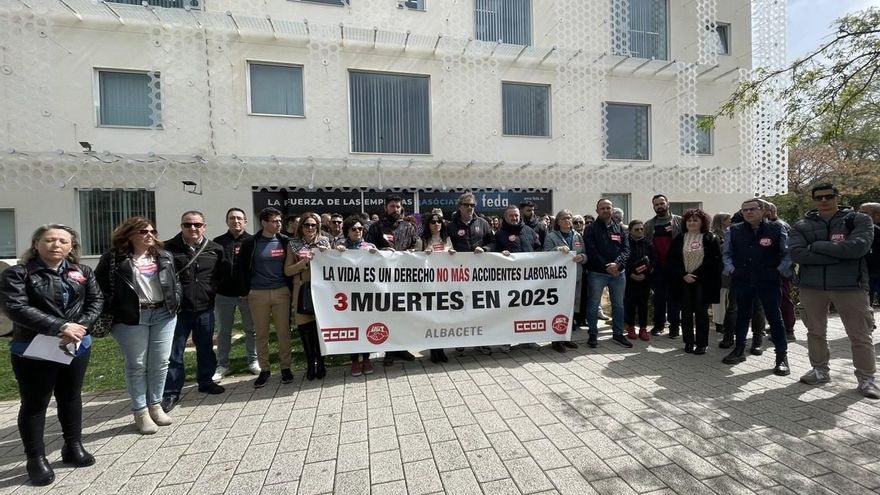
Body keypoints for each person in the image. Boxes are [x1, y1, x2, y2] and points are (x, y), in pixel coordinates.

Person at [0, 224, 102, 486]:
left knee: (70, 397)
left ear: (71, 246)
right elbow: (16, 307)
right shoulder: (18, 274)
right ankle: (35, 458)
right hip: (34, 349)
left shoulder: (82, 271)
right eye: (49, 240)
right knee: (35, 404)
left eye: (62, 241)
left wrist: (79, 327)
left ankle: (72, 445)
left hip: (76, 344)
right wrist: (61, 327)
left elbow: (96, 301)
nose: (56, 245)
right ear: (36, 244)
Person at [790, 183, 879, 398]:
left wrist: (816, 246)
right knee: (815, 331)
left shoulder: (858, 220)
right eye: (818, 197)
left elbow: (858, 248)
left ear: (837, 197)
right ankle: (820, 370)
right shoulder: (802, 224)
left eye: (828, 196)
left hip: (850, 285)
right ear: (813, 200)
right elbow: (797, 254)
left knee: (859, 335)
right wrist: (840, 253)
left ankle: (867, 378)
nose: (823, 201)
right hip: (811, 286)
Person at [96, 217, 180, 434]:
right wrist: (115, 308)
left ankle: (155, 405)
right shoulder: (113, 259)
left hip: (163, 314)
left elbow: (174, 282)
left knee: (160, 362)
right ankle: (140, 411)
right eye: (143, 231)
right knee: (137, 365)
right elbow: (99, 289)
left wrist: (176, 300)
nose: (150, 235)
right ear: (129, 234)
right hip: (132, 317)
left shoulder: (164, 255)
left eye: (152, 230)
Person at [162, 211, 226, 411]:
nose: (193, 228)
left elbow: (222, 275)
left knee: (206, 348)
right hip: (178, 311)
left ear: (204, 226)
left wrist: (212, 291)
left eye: (197, 225)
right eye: (188, 224)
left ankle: (206, 382)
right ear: (181, 226)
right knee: (174, 353)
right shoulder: (166, 249)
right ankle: (171, 392)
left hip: (205, 308)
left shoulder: (215, 249)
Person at [722, 199, 791, 375]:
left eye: (752, 209)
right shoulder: (734, 230)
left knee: (775, 318)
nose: (748, 213)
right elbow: (726, 254)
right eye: (744, 210)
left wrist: (778, 271)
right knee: (742, 316)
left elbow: (787, 254)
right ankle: (739, 350)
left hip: (768, 279)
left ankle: (781, 357)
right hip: (743, 279)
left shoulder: (776, 228)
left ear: (763, 210)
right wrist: (731, 270)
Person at [238, 207, 292, 388]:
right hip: (257, 293)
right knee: (261, 334)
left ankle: (286, 368)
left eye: (279, 221)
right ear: (263, 223)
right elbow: (242, 268)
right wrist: (245, 291)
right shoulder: (250, 243)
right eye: (275, 221)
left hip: (281, 292)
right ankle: (265, 370)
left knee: (283, 332)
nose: (279, 224)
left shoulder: (285, 241)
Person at [365, 194, 419, 365]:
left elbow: (416, 246)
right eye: (392, 206)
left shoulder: (408, 227)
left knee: (403, 314)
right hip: (384, 279)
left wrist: (413, 252)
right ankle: (390, 350)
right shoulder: (375, 227)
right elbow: (368, 248)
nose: (395, 209)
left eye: (398, 207)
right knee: (387, 313)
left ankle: (401, 347)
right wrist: (381, 251)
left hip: (404, 279)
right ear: (385, 208)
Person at [212, 208, 260, 380]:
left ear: (245, 222)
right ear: (227, 221)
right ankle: (222, 364)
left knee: (251, 330)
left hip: (247, 295)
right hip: (224, 295)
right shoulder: (218, 242)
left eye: (239, 218)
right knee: (223, 332)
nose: (236, 221)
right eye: (232, 218)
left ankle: (253, 361)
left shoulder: (252, 241)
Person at [668, 209, 722, 355]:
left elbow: (714, 261)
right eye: (689, 220)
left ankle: (702, 344)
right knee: (685, 313)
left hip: (703, 282)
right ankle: (688, 342)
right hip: (683, 281)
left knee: (701, 313)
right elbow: (672, 260)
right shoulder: (679, 238)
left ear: (702, 222)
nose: (692, 223)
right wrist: (684, 274)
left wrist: (696, 275)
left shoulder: (710, 238)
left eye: (695, 220)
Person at [446, 192, 494, 356]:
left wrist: (486, 249)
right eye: (466, 205)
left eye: (472, 205)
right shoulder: (450, 226)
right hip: (458, 275)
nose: (469, 208)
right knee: (460, 308)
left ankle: (481, 341)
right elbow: (443, 245)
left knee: (479, 308)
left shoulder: (483, 223)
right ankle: (460, 341)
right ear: (459, 206)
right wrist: (448, 250)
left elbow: (493, 242)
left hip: (479, 275)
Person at [285, 212, 331, 381]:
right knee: (305, 328)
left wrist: (333, 253)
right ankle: (311, 364)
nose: (310, 228)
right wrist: (303, 263)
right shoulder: (293, 244)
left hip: (322, 290)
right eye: (307, 225)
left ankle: (322, 362)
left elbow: (335, 264)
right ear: (301, 227)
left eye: (313, 225)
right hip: (302, 289)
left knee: (320, 328)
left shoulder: (325, 242)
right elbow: (287, 270)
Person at [490, 205, 541, 353]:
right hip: (508, 281)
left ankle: (529, 339)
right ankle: (506, 340)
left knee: (528, 309)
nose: (514, 218)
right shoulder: (499, 234)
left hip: (528, 280)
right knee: (508, 311)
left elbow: (538, 249)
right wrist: (500, 254)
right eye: (511, 215)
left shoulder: (529, 231)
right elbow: (493, 252)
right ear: (505, 217)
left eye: (516, 215)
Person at [335, 216, 379, 376]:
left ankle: (366, 358)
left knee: (366, 325)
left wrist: (377, 255)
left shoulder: (369, 246)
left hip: (366, 295)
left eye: (360, 229)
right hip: (347, 295)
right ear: (347, 231)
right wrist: (337, 253)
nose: (358, 231)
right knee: (352, 328)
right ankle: (354, 360)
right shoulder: (340, 247)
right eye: (354, 229)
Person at [583, 199, 631, 348]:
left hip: (618, 273)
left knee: (618, 304)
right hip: (597, 273)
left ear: (612, 210)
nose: (605, 210)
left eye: (608, 208)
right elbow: (592, 250)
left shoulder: (619, 228)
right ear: (597, 210)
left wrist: (617, 264)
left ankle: (617, 334)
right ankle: (592, 334)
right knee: (593, 304)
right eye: (602, 208)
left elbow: (626, 249)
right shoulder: (590, 229)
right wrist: (607, 266)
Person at [543, 209, 586, 352]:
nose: (568, 220)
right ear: (558, 222)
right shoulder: (551, 236)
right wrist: (557, 249)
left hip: (575, 277)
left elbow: (585, 254)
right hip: (558, 280)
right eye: (564, 218)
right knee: (558, 308)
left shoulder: (577, 236)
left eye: (569, 218)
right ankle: (556, 340)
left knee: (571, 308)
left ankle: (567, 338)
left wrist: (582, 258)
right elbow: (544, 255)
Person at [416, 212, 456, 362]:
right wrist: (423, 254)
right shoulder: (422, 240)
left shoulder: (447, 239)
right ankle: (434, 350)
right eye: (433, 222)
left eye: (439, 221)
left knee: (443, 318)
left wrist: (452, 253)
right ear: (428, 224)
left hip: (445, 284)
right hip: (429, 285)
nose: (436, 224)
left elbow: (452, 257)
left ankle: (441, 349)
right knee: (432, 319)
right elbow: (415, 259)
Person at [644, 194, 682, 337]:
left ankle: (674, 328)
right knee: (659, 298)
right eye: (656, 204)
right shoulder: (649, 225)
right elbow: (646, 246)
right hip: (657, 267)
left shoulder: (679, 221)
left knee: (674, 298)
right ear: (653, 207)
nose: (659, 206)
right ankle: (658, 325)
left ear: (668, 204)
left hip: (675, 266)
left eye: (661, 203)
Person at [624, 220, 652, 341]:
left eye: (641, 229)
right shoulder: (625, 243)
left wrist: (646, 274)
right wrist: (630, 274)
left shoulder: (648, 243)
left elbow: (653, 260)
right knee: (630, 304)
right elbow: (623, 260)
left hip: (644, 280)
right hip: (629, 280)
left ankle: (643, 328)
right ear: (630, 230)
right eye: (636, 229)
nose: (640, 231)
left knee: (643, 305)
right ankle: (630, 327)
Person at [709, 213, 732, 334]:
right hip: (719, 270)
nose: (730, 221)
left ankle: (727, 321)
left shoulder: (730, 233)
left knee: (728, 298)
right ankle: (719, 323)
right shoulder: (715, 235)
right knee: (719, 298)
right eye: (728, 219)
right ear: (722, 221)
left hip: (729, 270)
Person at [857, 202, 880, 307]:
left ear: (877, 215)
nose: (858, 216)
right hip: (866, 275)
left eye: (863, 213)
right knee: (865, 308)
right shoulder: (858, 230)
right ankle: (870, 324)